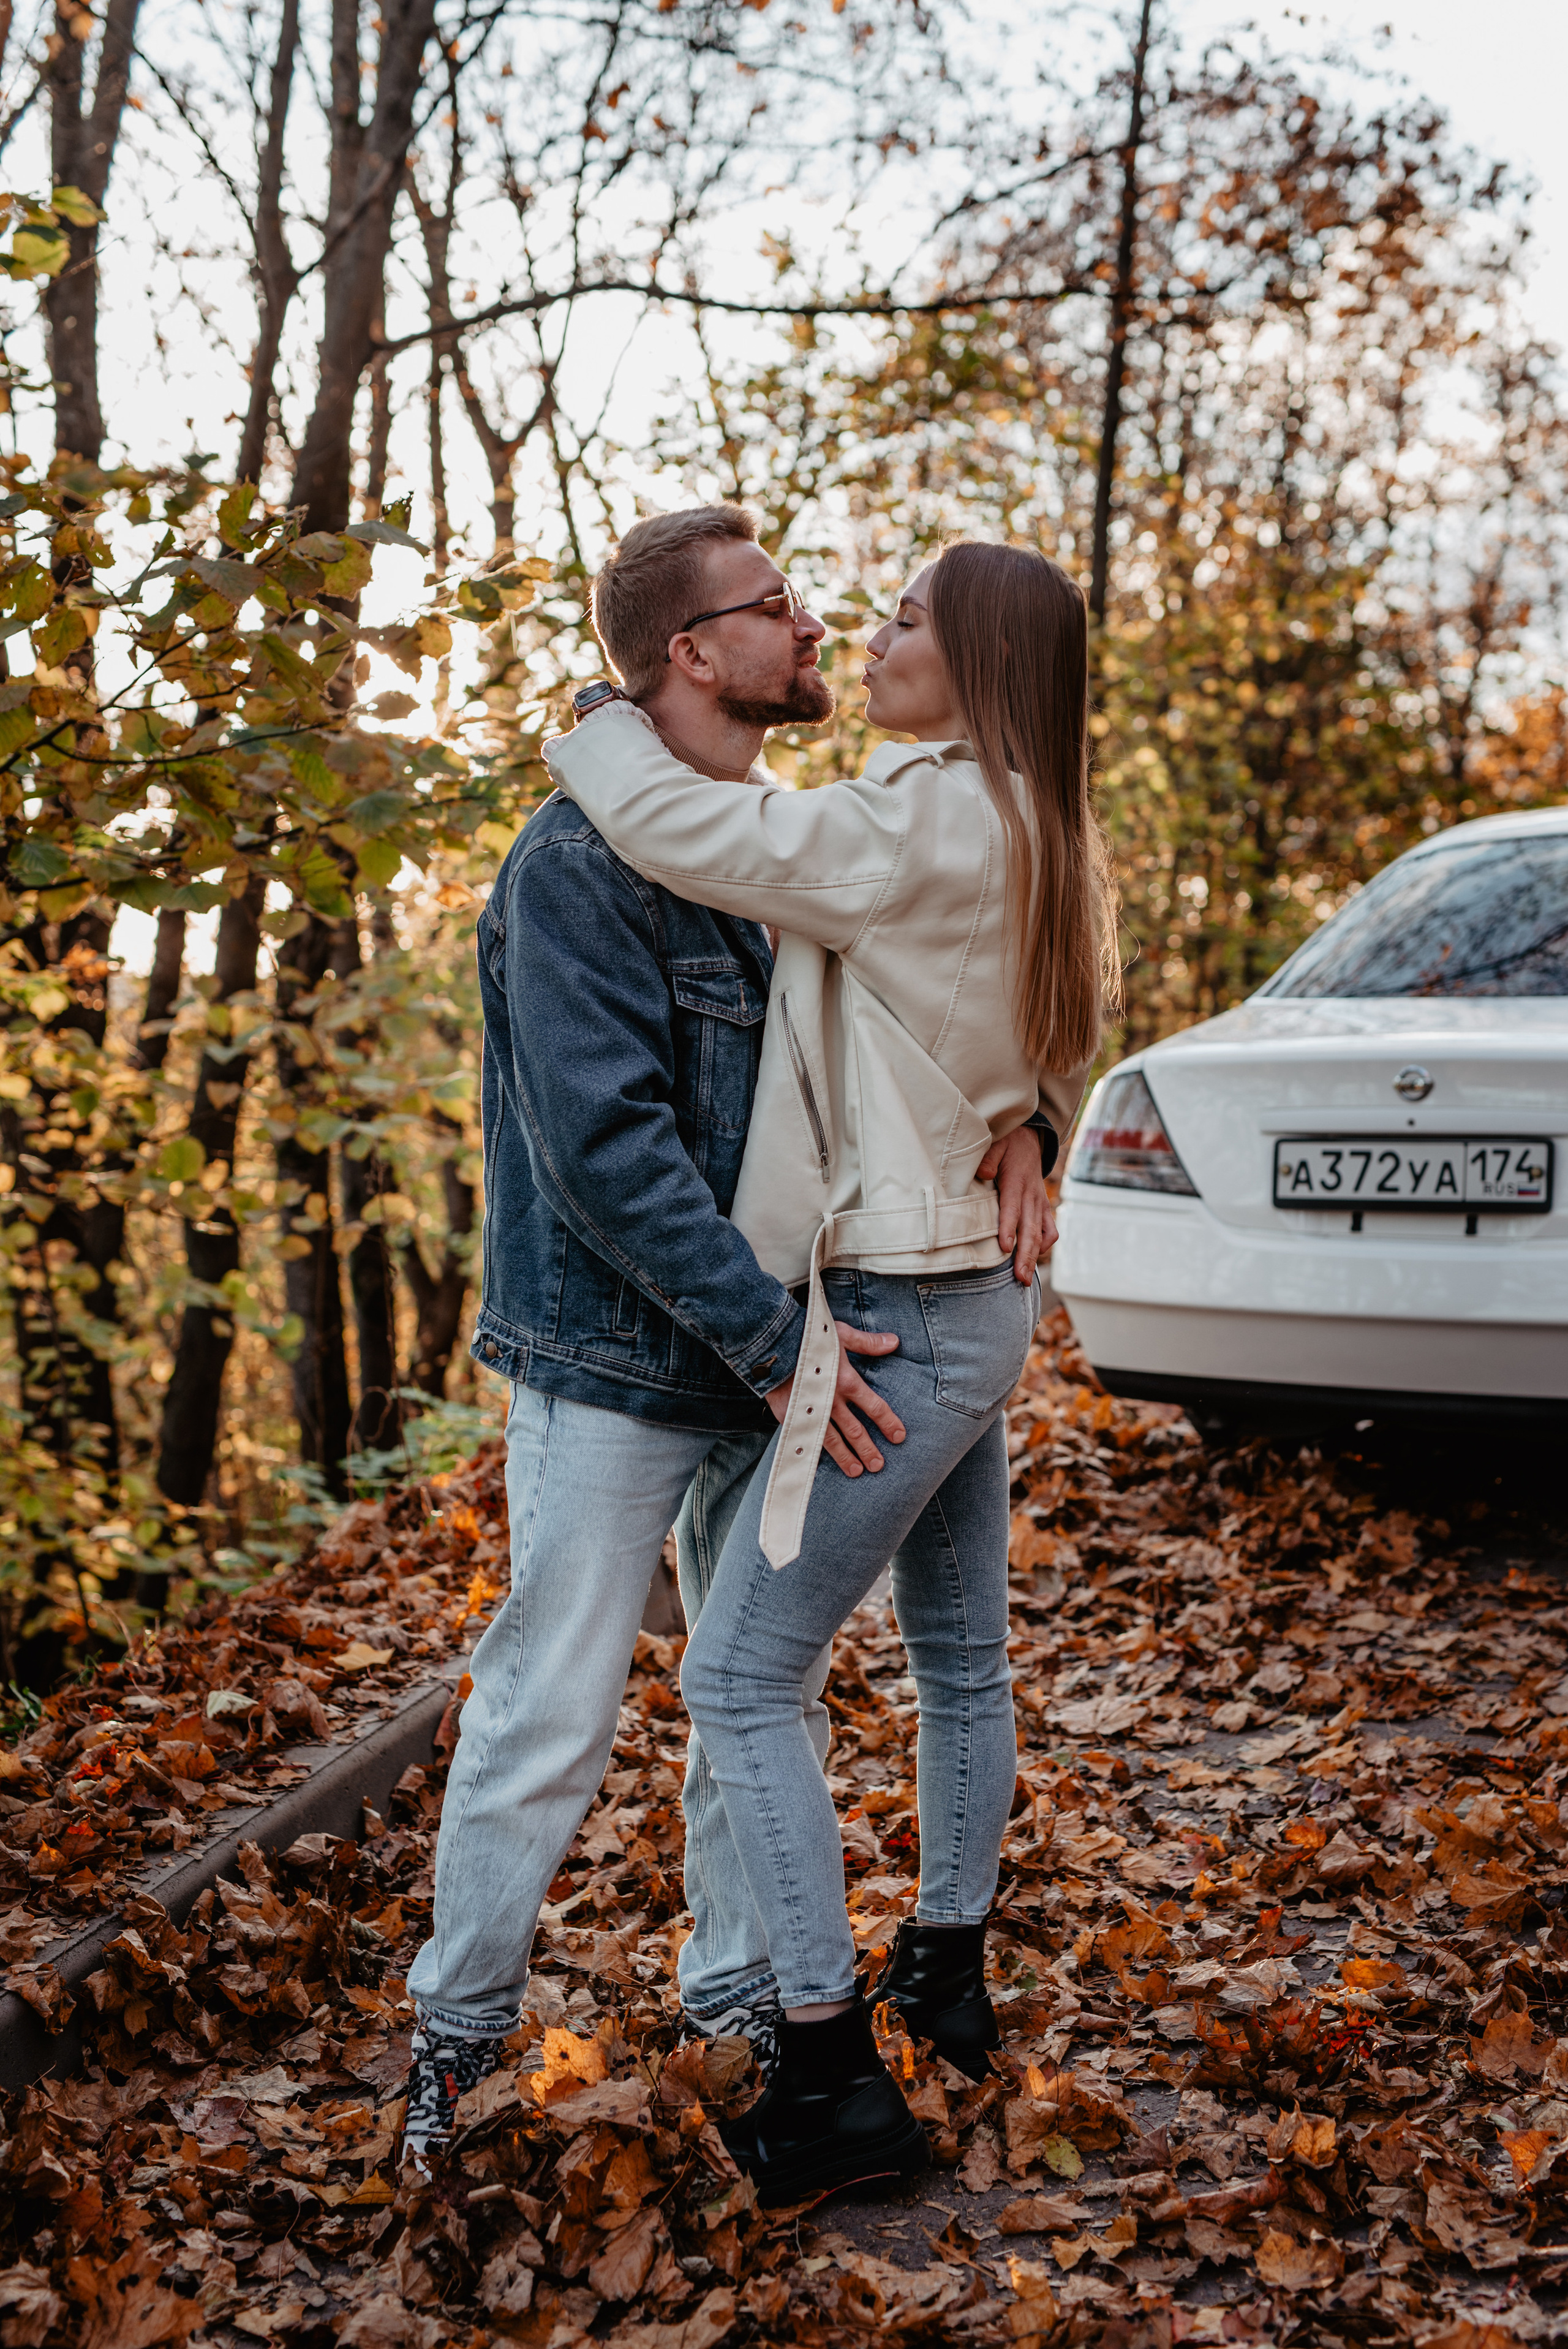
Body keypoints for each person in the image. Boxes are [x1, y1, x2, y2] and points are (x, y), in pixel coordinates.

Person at [399, 505, 1054, 2165]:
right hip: (635, 1356)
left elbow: (970, 982)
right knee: (548, 1701)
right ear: (693, 653)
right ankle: (457, 2040)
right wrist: (775, 1345)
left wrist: (1026, 1108)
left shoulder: (796, 835)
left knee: (753, 1692)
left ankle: (741, 1999)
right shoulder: (579, 865)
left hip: (790, 1336)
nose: (814, 621)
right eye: (774, 605)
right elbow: (609, 1149)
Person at [545, 536, 1117, 2204]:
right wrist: (1029, 1122)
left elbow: (686, 824)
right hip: (968, 1302)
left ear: (982, 667)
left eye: (906, 621)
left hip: (904, 1313)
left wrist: (597, 711)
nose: (867, 636)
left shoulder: (926, 815)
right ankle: (944, 1964)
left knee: (736, 1678)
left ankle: (826, 2074)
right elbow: (1007, 1038)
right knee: (960, 1659)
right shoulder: (1034, 817)